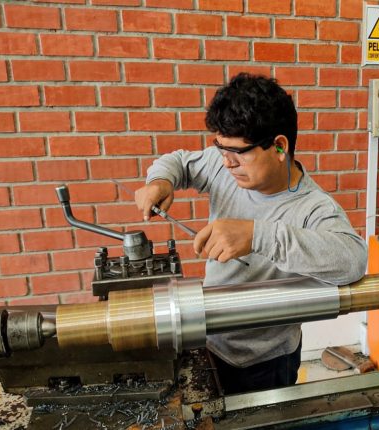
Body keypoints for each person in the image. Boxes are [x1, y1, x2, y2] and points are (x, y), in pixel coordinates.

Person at [135, 73, 367, 394]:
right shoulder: (224, 163)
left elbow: (353, 259)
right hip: (209, 339)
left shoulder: (312, 208)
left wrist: (257, 236)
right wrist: (160, 180)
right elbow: (181, 162)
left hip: (266, 362)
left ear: (279, 146)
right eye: (220, 147)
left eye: (238, 152)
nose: (226, 162)